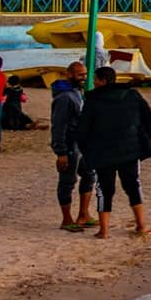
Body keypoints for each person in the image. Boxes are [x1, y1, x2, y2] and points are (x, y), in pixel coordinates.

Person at [75, 67, 151, 239]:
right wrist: (141, 139)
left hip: (103, 152)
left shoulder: (93, 101)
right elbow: (148, 119)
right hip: (129, 150)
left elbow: (82, 130)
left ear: (103, 81)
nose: (94, 82)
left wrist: (88, 150)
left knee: (105, 190)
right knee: (133, 185)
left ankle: (104, 231)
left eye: (95, 79)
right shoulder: (132, 95)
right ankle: (141, 225)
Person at [50, 62, 94, 232]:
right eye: (80, 75)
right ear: (69, 74)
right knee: (68, 181)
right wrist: (60, 152)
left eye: (84, 74)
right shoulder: (64, 98)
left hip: (81, 145)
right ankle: (66, 219)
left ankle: (83, 214)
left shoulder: (77, 93)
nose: (83, 78)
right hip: (69, 146)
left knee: (90, 174)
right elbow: (58, 125)